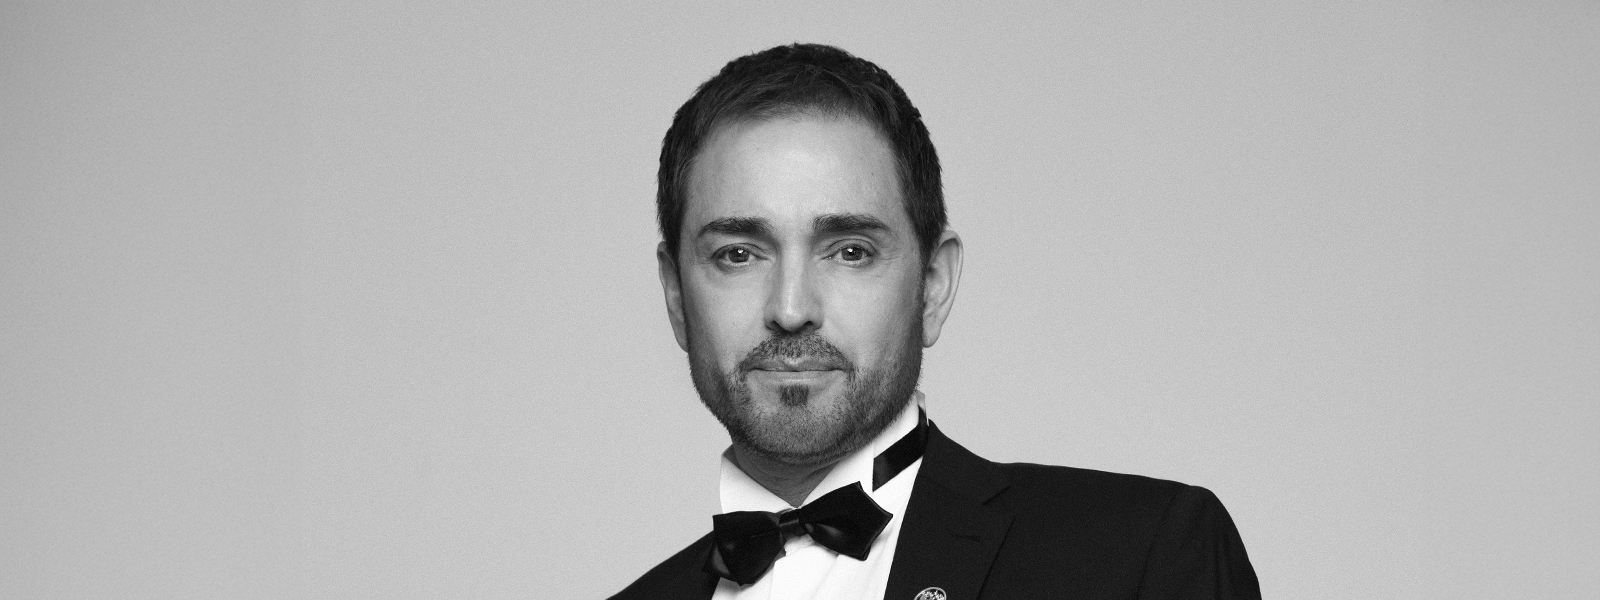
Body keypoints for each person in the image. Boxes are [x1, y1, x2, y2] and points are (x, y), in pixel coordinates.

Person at [613, 43, 1260, 600]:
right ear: (675, 294)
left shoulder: (1139, 555)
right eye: (738, 254)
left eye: (850, 251)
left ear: (933, 287)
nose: (790, 309)